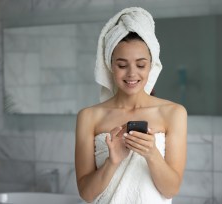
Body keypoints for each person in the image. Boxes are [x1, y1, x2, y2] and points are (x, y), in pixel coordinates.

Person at [75, 7, 187, 204]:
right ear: (110, 65)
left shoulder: (173, 113)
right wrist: (113, 162)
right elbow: (86, 193)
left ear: (151, 65)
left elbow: (170, 190)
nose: (131, 74)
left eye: (141, 65)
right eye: (122, 65)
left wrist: (152, 154)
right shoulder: (89, 116)